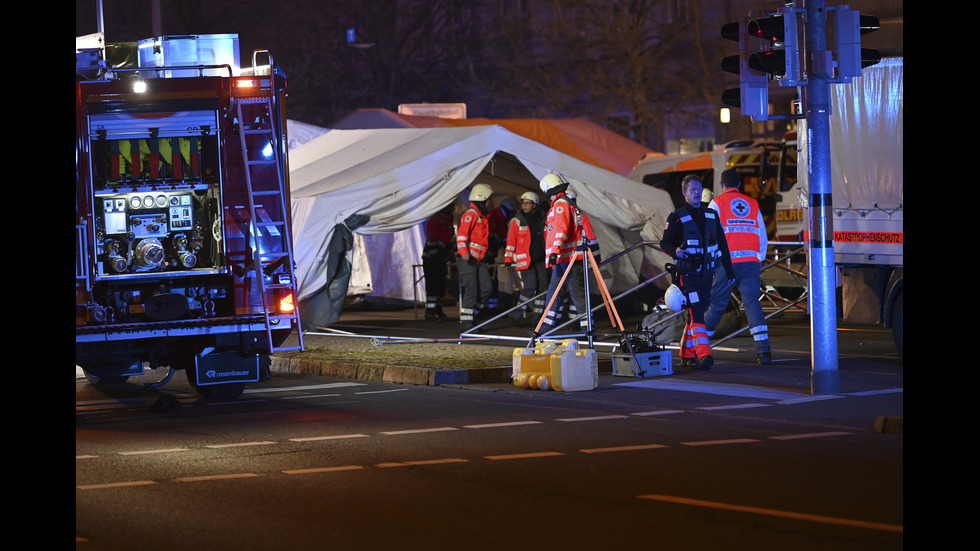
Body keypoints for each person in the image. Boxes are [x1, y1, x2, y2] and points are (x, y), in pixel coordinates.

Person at [660, 174, 734, 370]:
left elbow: (723, 245)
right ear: (684, 193)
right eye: (693, 189)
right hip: (688, 275)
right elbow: (664, 243)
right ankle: (704, 355)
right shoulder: (676, 217)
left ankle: (686, 354)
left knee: (695, 314)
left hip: (707, 275)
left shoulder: (711, 215)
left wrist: (729, 270)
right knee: (698, 313)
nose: (697, 192)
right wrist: (675, 250)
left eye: (699, 189)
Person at [705, 169, 772, 364]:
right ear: (739, 185)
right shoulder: (752, 203)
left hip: (726, 264)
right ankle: (763, 351)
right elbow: (762, 236)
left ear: (721, 185)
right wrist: (758, 260)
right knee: (752, 303)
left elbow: (710, 235)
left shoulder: (716, 203)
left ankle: (698, 346)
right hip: (750, 262)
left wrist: (711, 261)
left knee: (717, 305)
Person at [538, 173, 599, 333]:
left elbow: (561, 230)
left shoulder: (560, 205)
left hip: (568, 257)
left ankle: (588, 329)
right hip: (564, 257)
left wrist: (555, 251)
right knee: (554, 291)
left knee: (577, 293)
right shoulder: (564, 203)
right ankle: (546, 325)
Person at [504, 191, 547, 325]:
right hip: (526, 261)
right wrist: (508, 260)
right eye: (523, 203)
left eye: (528, 203)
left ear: (535, 205)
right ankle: (516, 316)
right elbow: (511, 242)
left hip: (541, 259)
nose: (525, 206)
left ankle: (538, 316)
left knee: (543, 289)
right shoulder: (517, 220)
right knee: (529, 287)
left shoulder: (542, 218)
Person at [456, 183, 494, 331]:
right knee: (471, 290)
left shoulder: (480, 216)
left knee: (487, 288)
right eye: (488, 199)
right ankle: (466, 325)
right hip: (467, 259)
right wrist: (464, 252)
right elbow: (461, 236)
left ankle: (472, 316)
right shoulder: (471, 214)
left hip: (478, 259)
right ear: (483, 200)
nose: (489, 202)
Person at [422, 202, 455, 322]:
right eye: (452, 206)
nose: (454, 208)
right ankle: (429, 313)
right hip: (432, 258)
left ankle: (438, 310)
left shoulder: (447, 220)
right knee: (433, 286)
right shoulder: (436, 220)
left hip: (441, 257)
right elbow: (432, 243)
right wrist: (438, 256)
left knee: (441, 286)